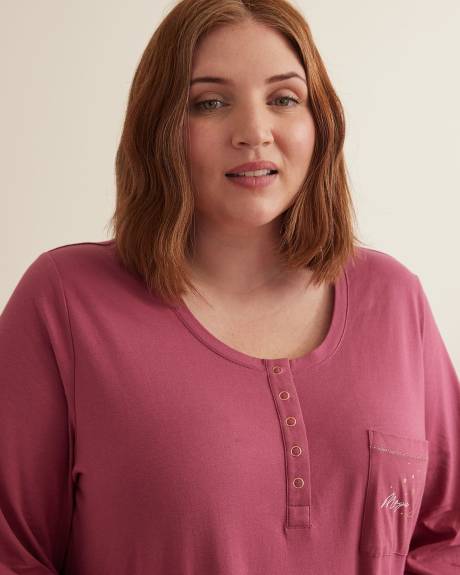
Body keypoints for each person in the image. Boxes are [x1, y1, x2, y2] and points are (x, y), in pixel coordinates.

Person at [0, 0, 459, 573]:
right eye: (210, 103)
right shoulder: (65, 304)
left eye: (283, 98)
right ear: (159, 126)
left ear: (320, 122)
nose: (254, 133)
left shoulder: (394, 299)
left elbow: (447, 536)